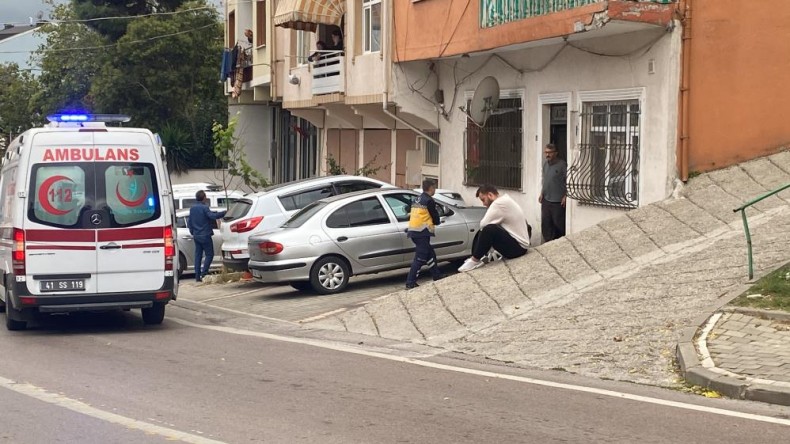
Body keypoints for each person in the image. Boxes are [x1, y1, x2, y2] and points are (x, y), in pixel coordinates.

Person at [458, 184, 529, 272]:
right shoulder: (506, 199)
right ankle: (476, 257)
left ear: (490, 195)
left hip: (518, 249)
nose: (483, 204)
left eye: (483, 200)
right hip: (521, 246)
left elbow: (483, 224)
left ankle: (474, 260)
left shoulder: (498, 204)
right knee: (489, 229)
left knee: (488, 229)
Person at [405, 180, 444, 289]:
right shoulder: (429, 200)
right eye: (434, 187)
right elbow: (434, 215)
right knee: (420, 258)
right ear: (431, 188)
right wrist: (437, 222)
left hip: (414, 231)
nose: (435, 190)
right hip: (422, 231)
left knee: (430, 254)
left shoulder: (417, 199)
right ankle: (410, 282)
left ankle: (436, 275)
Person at [188, 190, 227, 282]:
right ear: (204, 197)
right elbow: (212, 216)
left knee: (198, 255)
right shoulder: (205, 208)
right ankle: (204, 273)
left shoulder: (192, 208)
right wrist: (223, 213)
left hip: (196, 235)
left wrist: (192, 232)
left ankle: (197, 276)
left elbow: (190, 222)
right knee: (209, 254)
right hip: (205, 235)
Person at [539, 143, 567, 242]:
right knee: (546, 223)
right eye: (546, 152)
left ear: (555, 153)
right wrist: (542, 193)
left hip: (558, 201)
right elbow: (545, 180)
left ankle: (560, 244)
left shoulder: (562, 165)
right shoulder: (545, 164)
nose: (547, 155)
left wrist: (565, 196)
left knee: (558, 224)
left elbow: (569, 181)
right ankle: (548, 244)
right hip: (546, 199)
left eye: (550, 153)